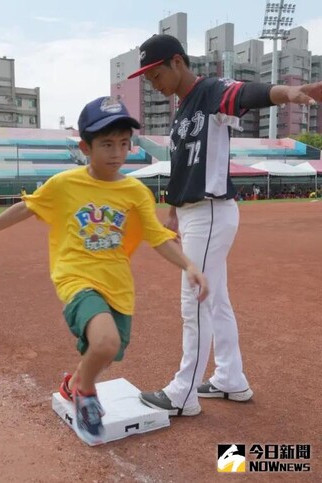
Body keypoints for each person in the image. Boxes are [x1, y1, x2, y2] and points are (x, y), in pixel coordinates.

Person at [0, 96, 208, 444]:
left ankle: (74, 382)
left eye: (123, 143)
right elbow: (25, 209)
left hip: (117, 284)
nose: (117, 152)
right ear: (85, 147)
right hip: (75, 278)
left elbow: (157, 237)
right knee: (105, 342)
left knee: (109, 351)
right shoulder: (65, 184)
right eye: (106, 144)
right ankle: (85, 393)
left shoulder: (135, 191)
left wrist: (189, 266)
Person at [127, 33, 322, 416]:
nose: (154, 83)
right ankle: (231, 379)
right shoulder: (182, 110)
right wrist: (174, 210)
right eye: (147, 79)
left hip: (212, 211)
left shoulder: (211, 91)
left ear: (178, 62)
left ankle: (183, 394)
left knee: (194, 298)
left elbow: (249, 92)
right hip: (194, 211)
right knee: (215, 300)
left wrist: (289, 92)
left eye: (156, 73)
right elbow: (184, 165)